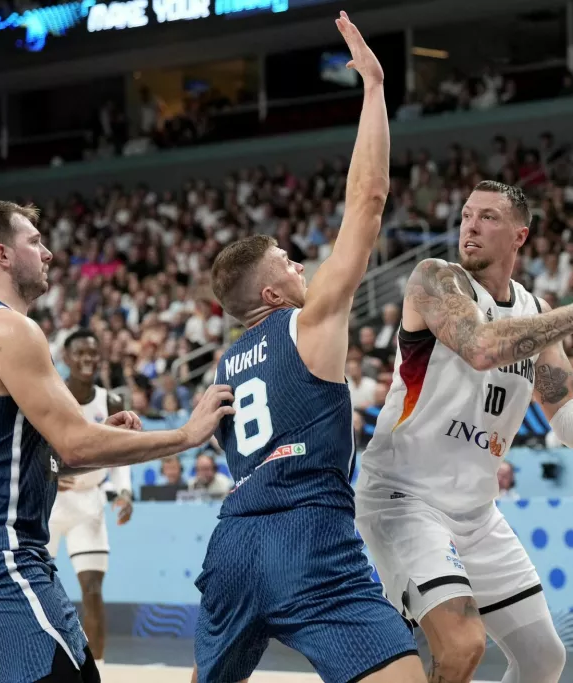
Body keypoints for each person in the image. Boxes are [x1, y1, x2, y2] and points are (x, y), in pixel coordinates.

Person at [356, 180, 573, 683]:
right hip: (404, 499)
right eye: (467, 214)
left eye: (488, 217)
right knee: (464, 644)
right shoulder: (434, 279)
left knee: (543, 659)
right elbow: (482, 346)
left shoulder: (533, 312)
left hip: (474, 512)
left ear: (519, 235)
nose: (470, 225)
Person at [191, 12, 425, 683]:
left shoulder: (224, 367)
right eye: (289, 262)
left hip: (234, 539)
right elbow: (368, 201)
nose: (302, 266)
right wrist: (375, 89)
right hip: (309, 533)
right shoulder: (309, 321)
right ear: (269, 296)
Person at [0, 199, 234, 683]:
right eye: (35, 241)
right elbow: (76, 445)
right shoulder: (10, 328)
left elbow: (33, 457)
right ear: (3, 255)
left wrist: (98, 439)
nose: (47, 252)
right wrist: (187, 434)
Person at [46, 329, 134, 669]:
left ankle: (98, 669)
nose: (87, 359)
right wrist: (51, 475)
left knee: (93, 593)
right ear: (66, 358)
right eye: (80, 353)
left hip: (90, 506)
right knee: (37, 589)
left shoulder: (110, 401)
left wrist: (123, 491)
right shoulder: (53, 395)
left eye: (93, 353)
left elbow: (120, 453)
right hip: (50, 505)